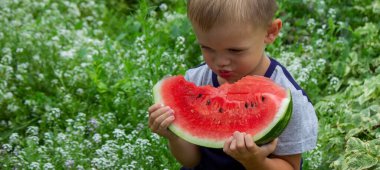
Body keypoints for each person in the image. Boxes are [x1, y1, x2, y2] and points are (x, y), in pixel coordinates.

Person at [148, 0, 318, 169]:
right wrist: (175, 136)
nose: (220, 62)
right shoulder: (196, 79)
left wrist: (256, 162)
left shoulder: (289, 100)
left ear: (270, 32)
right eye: (207, 48)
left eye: (235, 50)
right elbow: (192, 161)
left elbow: (290, 166)